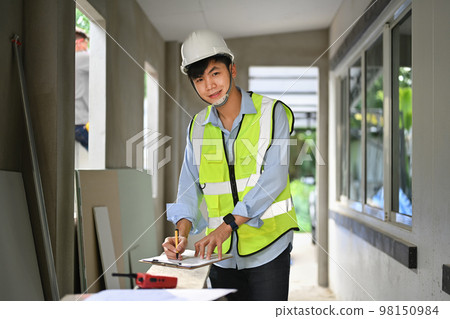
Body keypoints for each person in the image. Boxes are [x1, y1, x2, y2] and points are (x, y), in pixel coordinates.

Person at [162, 30, 299, 301]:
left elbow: (274, 180)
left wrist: (225, 228)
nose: (209, 85)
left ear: (232, 69)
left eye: (215, 73)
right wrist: (181, 234)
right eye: (199, 79)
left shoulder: (273, 113)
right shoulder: (197, 126)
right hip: (221, 256)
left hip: (268, 248)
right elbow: (188, 188)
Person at [75, 27, 90, 150]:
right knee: (103, 155)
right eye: (86, 43)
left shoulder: (68, 60)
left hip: (74, 123)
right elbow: (102, 60)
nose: (87, 47)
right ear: (79, 43)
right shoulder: (82, 57)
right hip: (82, 123)